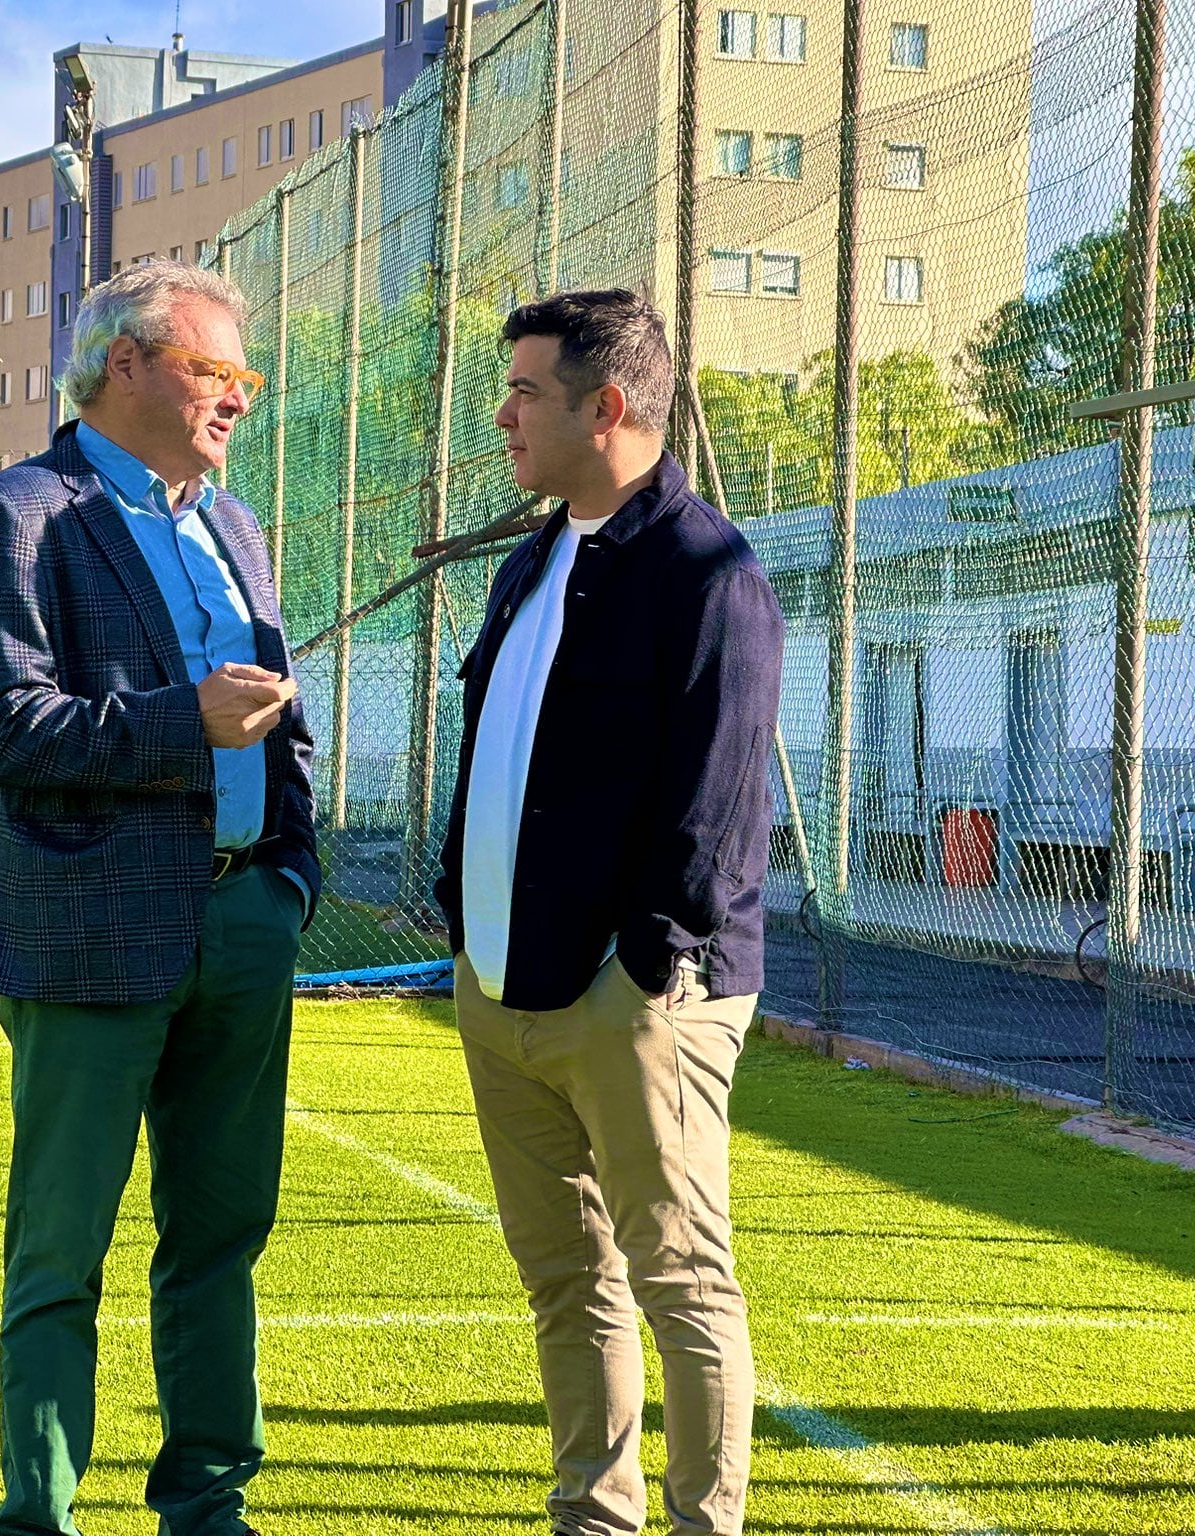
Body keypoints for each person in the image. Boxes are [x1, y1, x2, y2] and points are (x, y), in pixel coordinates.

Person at [0, 261, 319, 1536]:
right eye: (217, 372)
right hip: (88, 932)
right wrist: (183, 722)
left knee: (221, 1238)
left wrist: (288, 874)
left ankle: (207, 1507)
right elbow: (3, 729)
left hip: (242, 924)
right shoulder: (17, 516)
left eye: (243, 378)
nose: (238, 400)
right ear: (124, 367)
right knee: (61, 1253)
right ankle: (35, 1515)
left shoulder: (234, 523)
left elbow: (277, 712)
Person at [434, 289, 784, 1535]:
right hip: (498, 990)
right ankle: (593, 1516)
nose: (503, 415)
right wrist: (464, 936)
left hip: (633, 1004)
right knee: (563, 1283)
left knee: (678, 1283)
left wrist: (639, 973)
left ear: (610, 406)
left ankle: (703, 1525)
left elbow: (710, 810)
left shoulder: (708, 576)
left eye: (525, 391)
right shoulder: (535, 557)